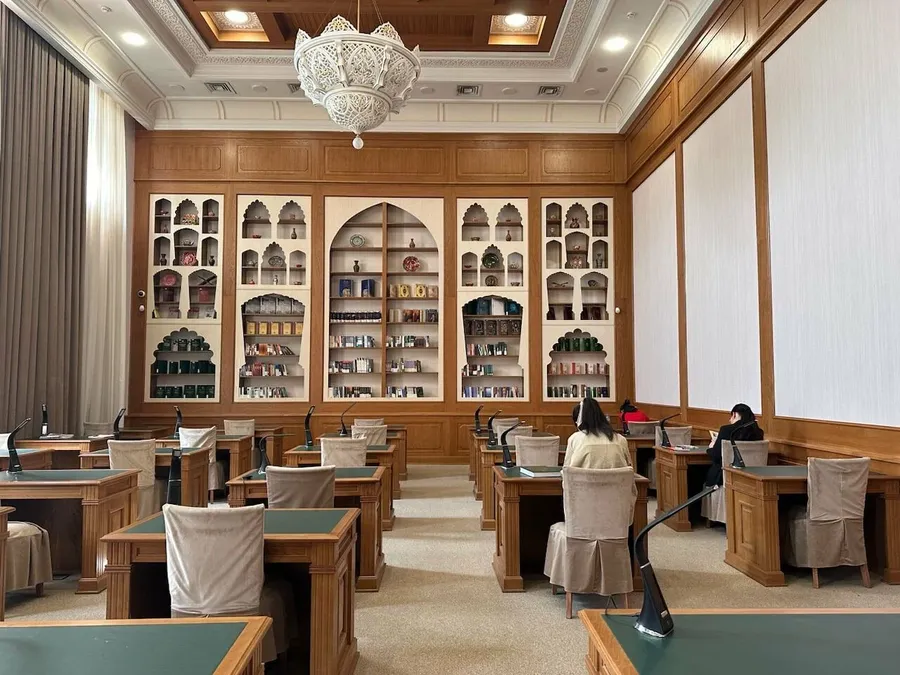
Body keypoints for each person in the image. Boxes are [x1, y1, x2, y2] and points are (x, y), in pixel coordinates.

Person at [563, 398, 632, 470]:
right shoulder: (620, 439)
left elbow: (566, 470)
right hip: (617, 477)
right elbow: (629, 468)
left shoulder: (574, 439)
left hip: (583, 477)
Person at [705, 403, 764, 486]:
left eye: (730, 417)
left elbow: (716, 456)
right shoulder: (758, 432)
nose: (730, 420)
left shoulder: (726, 430)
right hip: (753, 477)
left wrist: (711, 448)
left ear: (734, 414)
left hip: (726, 477)